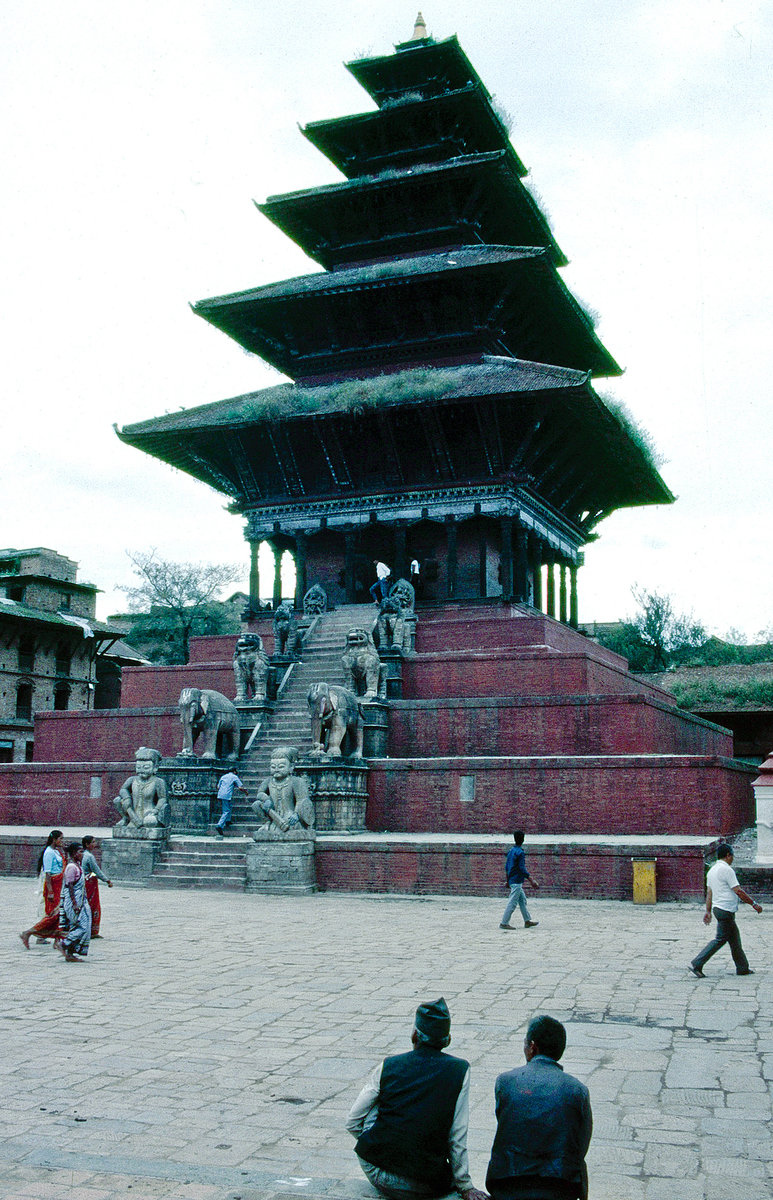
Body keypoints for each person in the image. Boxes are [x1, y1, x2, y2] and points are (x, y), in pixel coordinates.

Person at [346, 997, 488, 1200]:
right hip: (427, 1183)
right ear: (447, 1040)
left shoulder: (389, 1065)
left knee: (376, 1108)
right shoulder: (459, 1070)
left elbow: (353, 1121)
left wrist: (379, 1146)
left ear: (414, 1035)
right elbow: (457, 1136)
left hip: (378, 1170)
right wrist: (465, 1186)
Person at [486, 1014, 592, 1200]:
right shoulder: (577, 1090)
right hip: (558, 1188)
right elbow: (580, 1147)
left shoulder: (506, 1082)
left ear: (532, 1047)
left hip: (508, 1186)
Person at [690, 842, 762, 978]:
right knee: (720, 939)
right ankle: (697, 962)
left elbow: (709, 893)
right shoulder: (727, 870)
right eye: (732, 856)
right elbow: (738, 891)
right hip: (726, 909)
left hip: (718, 908)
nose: (732, 859)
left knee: (734, 939)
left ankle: (742, 968)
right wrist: (754, 904)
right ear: (728, 855)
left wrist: (708, 911)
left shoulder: (712, 870)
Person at [20, 829, 65, 948]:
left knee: (58, 913)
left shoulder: (57, 851)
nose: (62, 841)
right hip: (52, 885)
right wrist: (50, 891)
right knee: (53, 913)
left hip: (58, 884)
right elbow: (48, 873)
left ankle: (56, 939)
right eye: (60, 839)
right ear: (54, 840)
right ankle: (32, 933)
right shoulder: (49, 853)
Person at [58, 842, 91, 961]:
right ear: (74, 853)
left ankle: (70, 953)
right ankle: (65, 943)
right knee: (82, 927)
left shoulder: (78, 866)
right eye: (80, 852)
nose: (82, 854)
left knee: (78, 926)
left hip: (80, 901)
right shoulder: (71, 867)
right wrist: (75, 903)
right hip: (74, 902)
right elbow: (70, 886)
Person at [500, 831, 540, 930]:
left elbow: (507, 867)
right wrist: (531, 880)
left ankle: (527, 921)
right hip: (517, 881)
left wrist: (508, 880)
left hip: (513, 880)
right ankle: (504, 923)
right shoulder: (520, 852)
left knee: (522, 900)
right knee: (512, 902)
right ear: (523, 839)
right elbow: (522, 869)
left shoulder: (511, 851)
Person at [81, 835, 112, 937]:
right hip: (89, 882)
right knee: (93, 905)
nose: (95, 844)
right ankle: (92, 931)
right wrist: (107, 880)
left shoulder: (83, 855)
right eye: (93, 842)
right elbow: (96, 871)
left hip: (84, 881)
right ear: (87, 844)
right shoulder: (89, 856)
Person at [215, 768, 247, 836]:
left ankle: (228, 821)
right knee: (226, 811)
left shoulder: (223, 776)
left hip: (221, 794)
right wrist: (246, 792)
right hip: (227, 795)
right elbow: (240, 787)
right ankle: (219, 825)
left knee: (229, 806)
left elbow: (218, 787)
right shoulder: (234, 777)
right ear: (234, 771)